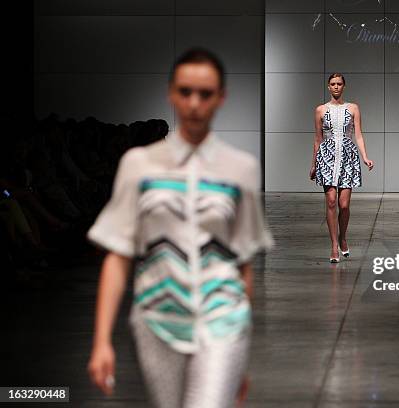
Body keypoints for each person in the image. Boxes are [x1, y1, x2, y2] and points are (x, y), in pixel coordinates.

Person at [86, 47, 273, 408]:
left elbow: (244, 262)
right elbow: (118, 255)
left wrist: (242, 359)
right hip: (157, 320)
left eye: (205, 94)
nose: (194, 103)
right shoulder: (139, 165)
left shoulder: (240, 169)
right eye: (185, 92)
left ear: (221, 98)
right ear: (171, 93)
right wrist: (101, 341)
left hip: (224, 319)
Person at [309, 74, 374, 263]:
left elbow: (359, 135)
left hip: (348, 157)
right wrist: (313, 164)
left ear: (344, 86)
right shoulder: (320, 110)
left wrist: (365, 157)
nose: (336, 87)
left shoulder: (353, 108)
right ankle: (333, 246)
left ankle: (343, 237)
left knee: (344, 205)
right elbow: (317, 139)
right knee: (331, 201)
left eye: (339, 84)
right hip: (327, 156)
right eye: (332, 84)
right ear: (328, 87)